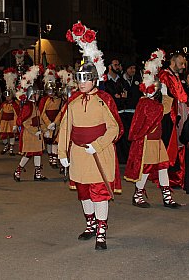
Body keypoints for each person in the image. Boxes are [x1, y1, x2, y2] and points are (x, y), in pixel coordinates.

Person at [57, 59, 123, 250]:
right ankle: (91, 225)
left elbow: (114, 128)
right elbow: (65, 128)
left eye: (86, 79)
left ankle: (102, 231)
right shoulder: (73, 101)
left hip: (99, 154)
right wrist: (62, 153)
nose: (82, 84)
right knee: (84, 193)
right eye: (79, 80)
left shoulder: (105, 100)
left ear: (94, 80)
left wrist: (98, 144)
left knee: (99, 193)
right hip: (79, 154)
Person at [124, 49, 182, 208]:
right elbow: (160, 111)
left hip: (157, 141)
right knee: (146, 169)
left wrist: (164, 94)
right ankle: (137, 195)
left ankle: (167, 196)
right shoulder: (145, 103)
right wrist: (163, 97)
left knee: (163, 167)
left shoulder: (155, 103)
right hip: (148, 141)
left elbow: (167, 108)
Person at [159, 52, 189, 188]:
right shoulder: (165, 75)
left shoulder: (175, 76)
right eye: (181, 63)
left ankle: (179, 174)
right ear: (173, 61)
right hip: (169, 115)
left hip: (179, 113)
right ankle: (170, 177)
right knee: (170, 145)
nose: (183, 66)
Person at [13, 66, 47, 182]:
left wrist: (45, 129)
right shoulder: (28, 106)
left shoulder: (34, 105)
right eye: (37, 94)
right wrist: (34, 132)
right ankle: (18, 171)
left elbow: (39, 119)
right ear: (32, 94)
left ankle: (37, 173)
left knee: (38, 153)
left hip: (37, 134)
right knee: (28, 154)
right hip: (30, 134)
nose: (38, 95)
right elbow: (25, 122)